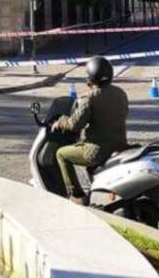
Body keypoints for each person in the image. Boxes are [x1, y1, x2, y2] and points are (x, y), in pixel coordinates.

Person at [52, 56, 129, 204]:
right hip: (119, 145)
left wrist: (60, 121)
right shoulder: (120, 93)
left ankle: (76, 196)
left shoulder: (90, 98)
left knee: (61, 154)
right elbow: (124, 113)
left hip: (97, 150)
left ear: (91, 77)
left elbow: (75, 124)